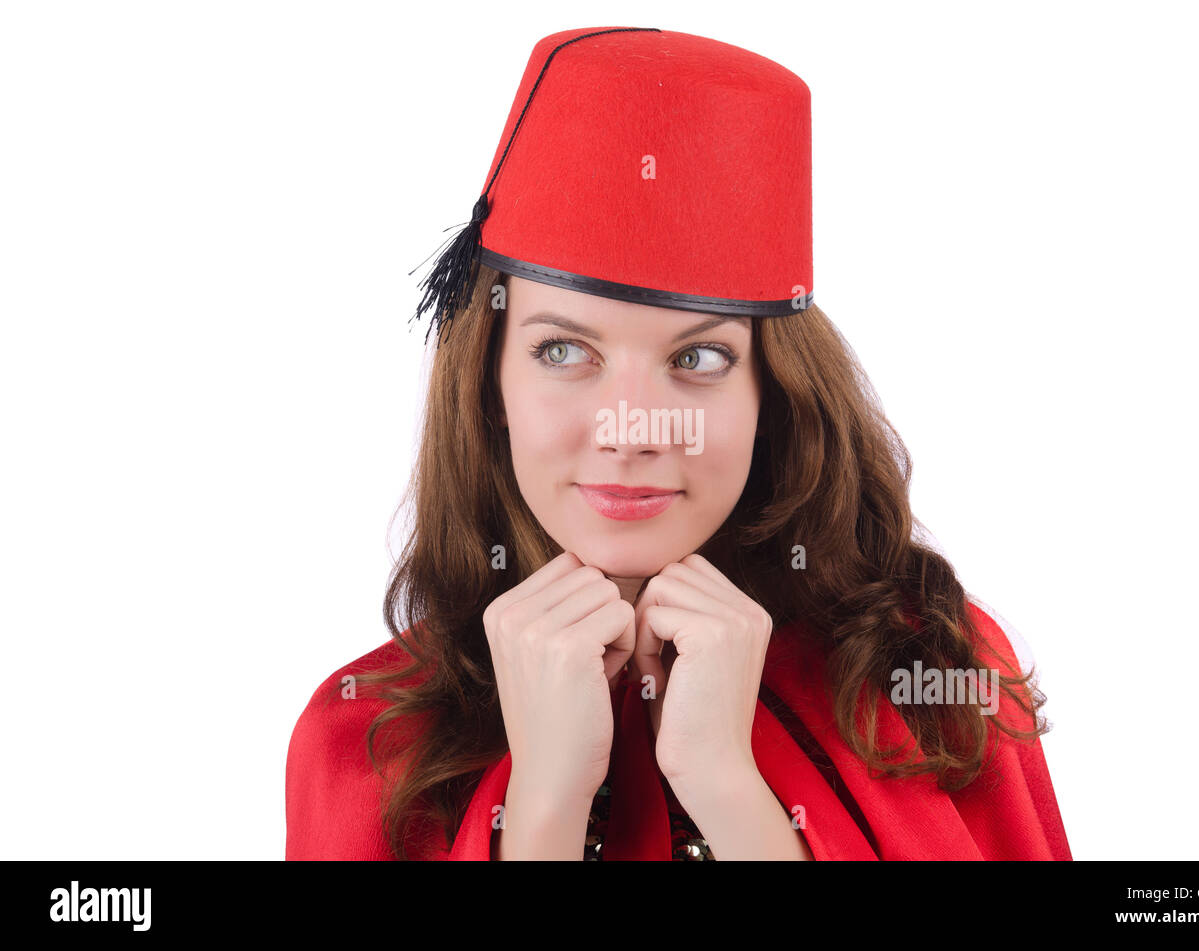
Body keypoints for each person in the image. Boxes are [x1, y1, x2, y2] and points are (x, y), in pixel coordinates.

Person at [285, 26, 1072, 861]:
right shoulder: (363, 744)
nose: (630, 429)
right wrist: (545, 805)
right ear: (492, 384)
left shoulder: (932, 678)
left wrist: (725, 784)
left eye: (697, 358)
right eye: (563, 351)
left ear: (772, 391)